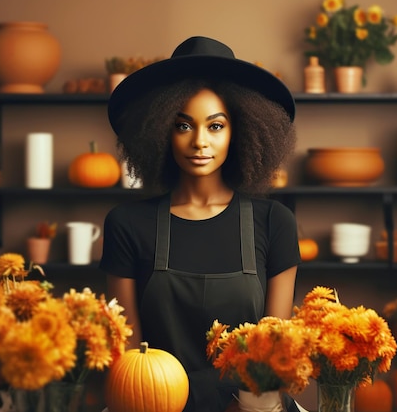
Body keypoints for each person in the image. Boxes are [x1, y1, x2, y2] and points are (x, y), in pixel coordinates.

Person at [100, 36, 301, 412]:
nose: (199, 142)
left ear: (239, 131)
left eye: (216, 126)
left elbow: (274, 356)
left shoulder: (275, 222)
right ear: (159, 132)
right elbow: (129, 358)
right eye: (182, 126)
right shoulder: (127, 225)